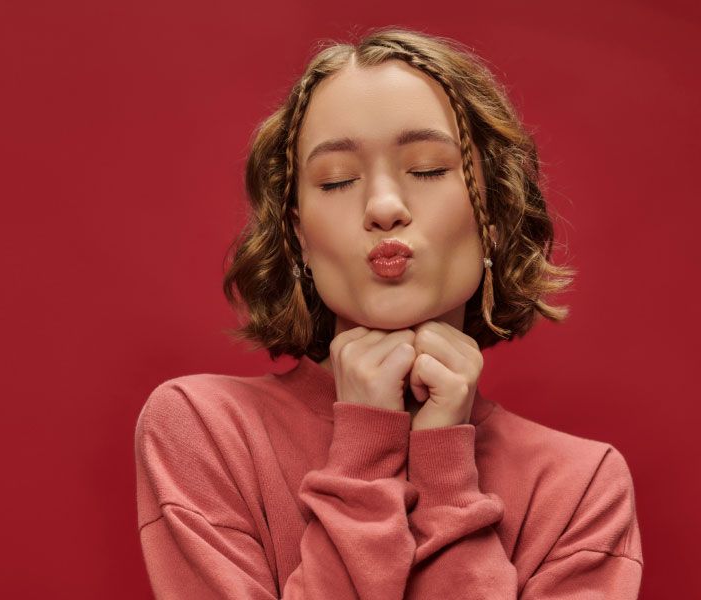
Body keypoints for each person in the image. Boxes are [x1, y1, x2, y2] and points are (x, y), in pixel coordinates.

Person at [134, 26, 643, 599]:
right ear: (299, 235)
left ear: (493, 217)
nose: (382, 207)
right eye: (337, 180)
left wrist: (445, 470)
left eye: (427, 170)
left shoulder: (581, 488)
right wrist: (363, 452)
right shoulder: (202, 429)